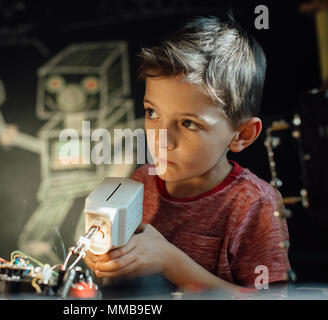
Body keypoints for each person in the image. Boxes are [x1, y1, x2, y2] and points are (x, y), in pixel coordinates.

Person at [84, 14, 291, 294]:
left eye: (188, 123)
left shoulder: (255, 204)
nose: (161, 139)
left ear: (242, 135)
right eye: (152, 113)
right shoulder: (140, 182)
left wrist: (170, 261)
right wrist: (109, 258)